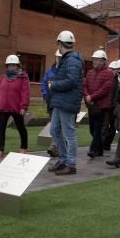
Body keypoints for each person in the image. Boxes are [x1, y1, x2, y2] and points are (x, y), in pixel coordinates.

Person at [49, 30, 84, 175]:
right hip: (61, 101)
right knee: (54, 130)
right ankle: (63, 160)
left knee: (69, 133)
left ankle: (70, 164)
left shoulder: (72, 60)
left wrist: (54, 85)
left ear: (59, 43)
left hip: (67, 102)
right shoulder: (68, 59)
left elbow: (72, 81)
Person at [0, 54, 30, 158]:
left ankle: (24, 147)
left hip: (16, 108)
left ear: (18, 66)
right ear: (7, 66)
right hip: (2, 107)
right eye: (9, 65)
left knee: (20, 127)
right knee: (0, 128)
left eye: (14, 65)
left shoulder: (23, 77)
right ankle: (0, 150)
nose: (11, 67)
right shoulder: (3, 77)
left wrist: (23, 106)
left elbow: (25, 93)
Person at [83, 49, 114, 159]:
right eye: (94, 59)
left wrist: (91, 96)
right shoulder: (90, 72)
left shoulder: (109, 73)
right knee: (92, 128)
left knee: (97, 128)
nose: (94, 62)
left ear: (103, 61)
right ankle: (100, 149)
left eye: (97, 60)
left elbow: (105, 89)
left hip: (102, 106)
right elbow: (85, 85)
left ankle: (93, 149)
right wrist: (87, 96)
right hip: (91, 105)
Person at [40, 49, 61, 157]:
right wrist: (44, 94)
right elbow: (44, 83)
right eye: (58, 57)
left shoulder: (66, 71)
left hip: (62, 104)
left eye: (61, 58)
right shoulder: (49, 72)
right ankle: (56, 147)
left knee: (59, 126)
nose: (59, 60)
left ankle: (55, 147)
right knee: (54, 126)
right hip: (51, 103)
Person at [102, 59, 120, 152]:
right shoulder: (107, 79)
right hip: (107, 107)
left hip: (115, 107)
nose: (113, 71)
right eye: (111, 69)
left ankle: (106, 144)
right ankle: (102, 145)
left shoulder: (118, 80)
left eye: (115, 69)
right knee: (105, 127)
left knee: (114, 127)